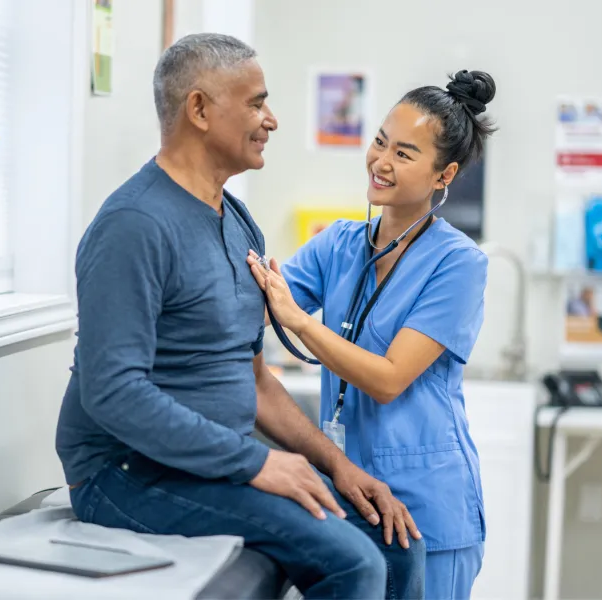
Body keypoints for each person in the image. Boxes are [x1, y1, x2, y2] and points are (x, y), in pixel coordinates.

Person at [56, 33, 426, 599]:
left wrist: (336, 465)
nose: (271, 120)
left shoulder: (236, 220)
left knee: (397, 544)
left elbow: (255, 379)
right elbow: (113, 393)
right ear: (199, 109)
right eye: (255, 103)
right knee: (355, 564)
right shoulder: (133, 226)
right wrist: (256, 462)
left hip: (209, 465)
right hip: (125, 474)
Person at [247, 69, 497, 600]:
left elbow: (388, 380)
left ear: (443, 175)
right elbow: (261, 303)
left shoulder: (459, 264)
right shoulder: (338, 244)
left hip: (428, 509)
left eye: (405, 154)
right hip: (351, 497)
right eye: (381, 142)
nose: (381, 162)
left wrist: (299, 320)